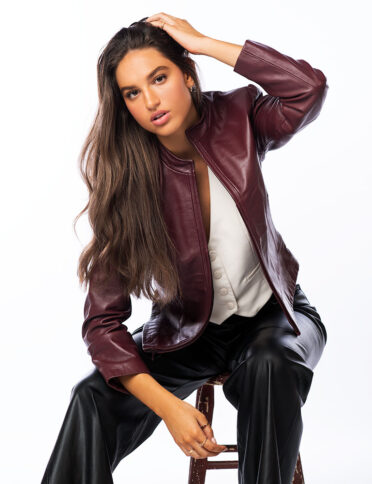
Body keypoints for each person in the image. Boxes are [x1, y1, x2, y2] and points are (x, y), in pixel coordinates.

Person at [41, 12, 328, 484]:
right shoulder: (125, 180)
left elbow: (307, 90)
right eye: (132, 92)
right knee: (91, 396)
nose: (150, 100)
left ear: (188, 75)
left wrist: (204, 42)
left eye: (160, 77)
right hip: (185, 334)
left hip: (276, 316)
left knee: (271, 367)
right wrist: (167, 407)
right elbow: (101, 323)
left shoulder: (240, 117)